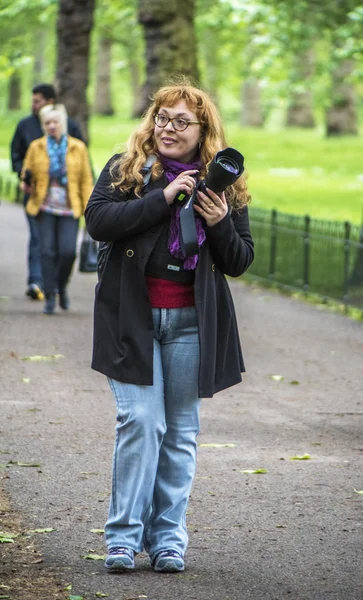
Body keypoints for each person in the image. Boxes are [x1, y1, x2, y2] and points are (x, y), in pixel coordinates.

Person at [85, 78, 254, 573]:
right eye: (162, 117)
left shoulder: (224, 183)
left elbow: (240, 260)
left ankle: (167, 540)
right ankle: (122, 538)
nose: (168, 128)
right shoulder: (128, 168)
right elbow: (98, 221)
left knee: (180, 432)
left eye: (182, 121)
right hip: (131, 319)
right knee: (141, 421)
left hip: (190, 324)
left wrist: (220, 221)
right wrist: (163, 196)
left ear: (204, 131)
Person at [10, 83, 84, 301]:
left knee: (66, 249)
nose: (33, 104)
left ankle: (58, 285)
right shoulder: (25, 126)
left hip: (68, 203)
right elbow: (17, 155)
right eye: (33, 101)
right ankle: (38, 282)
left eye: (38, 100)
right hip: (37, 197)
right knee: (40, 242)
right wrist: (23, 177)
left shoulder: (72, 129)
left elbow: (83, 166)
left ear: (51, 101)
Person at [20, 104, 93, 315]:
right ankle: (50, 295)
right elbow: (27, 173)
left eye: (55, 122)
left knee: (68, 251)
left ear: (64, 123)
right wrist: (25, 183)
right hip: (44, 207)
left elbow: (86, 180)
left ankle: (61, 286)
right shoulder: (37, 147)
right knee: (47, 251)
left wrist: (89, 208)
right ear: (43, 125)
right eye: (47, 123)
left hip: (70, 209)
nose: (51, 126)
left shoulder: (78, 147)